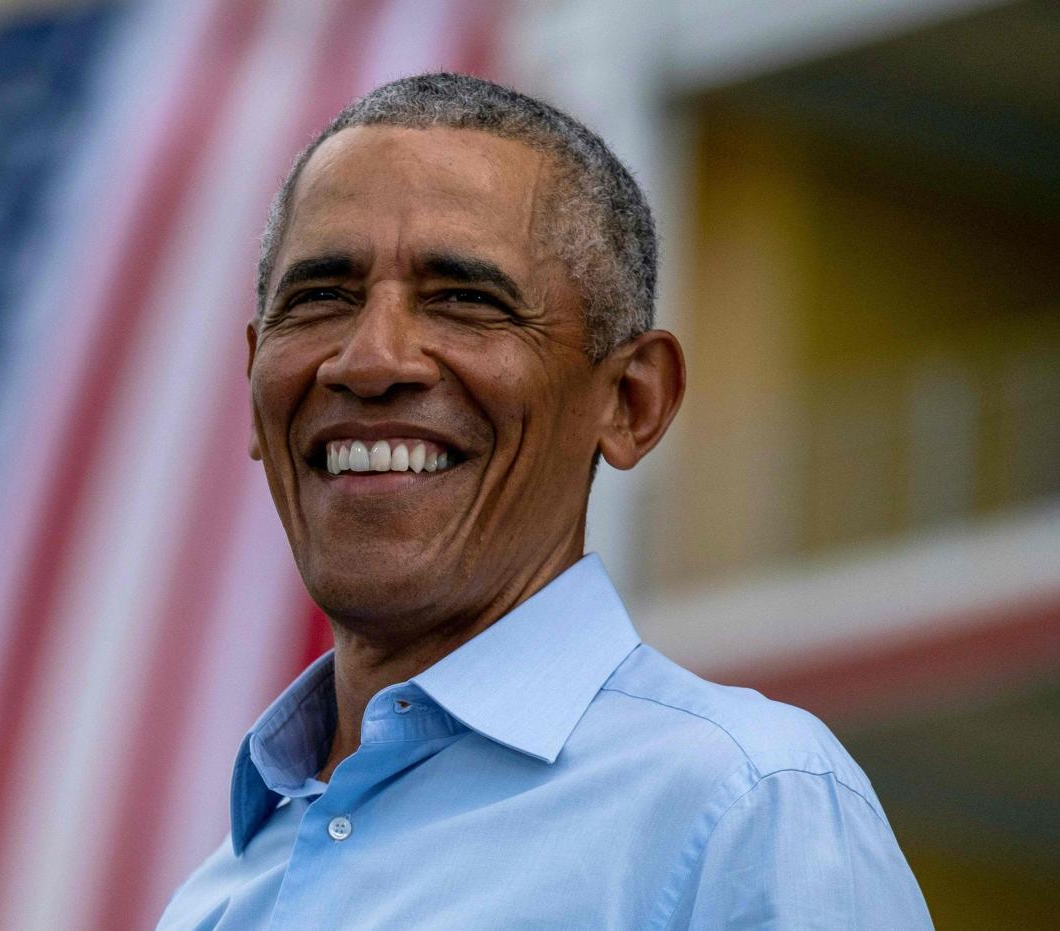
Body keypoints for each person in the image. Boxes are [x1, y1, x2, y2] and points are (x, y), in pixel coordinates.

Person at [158, 73, 932, 930]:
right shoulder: (215, 898)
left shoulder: (743, 807)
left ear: (631, 400)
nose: (369, 359)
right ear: (253, 377)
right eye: (320, 298)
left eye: (464, 299)